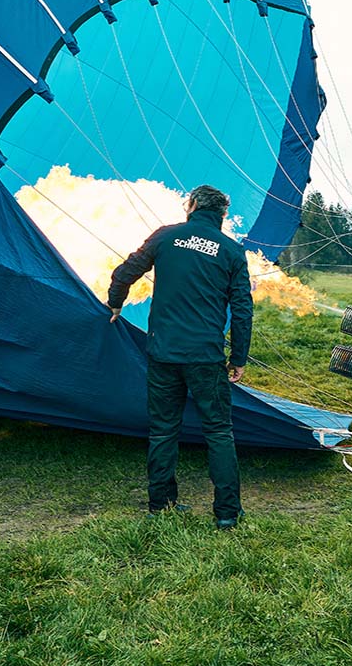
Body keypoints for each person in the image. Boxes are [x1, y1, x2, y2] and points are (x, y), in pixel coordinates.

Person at [107, 184, 252, 530]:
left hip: (163, 352)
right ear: (222, 215)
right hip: (205, 355)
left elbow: (124, 272)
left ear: (192, 205)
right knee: (218, 431)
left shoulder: (165, 237)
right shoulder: (232, 251)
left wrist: (116, 302)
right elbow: (243, 310)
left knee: (163, 430)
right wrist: (239, 357)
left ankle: (161, 504)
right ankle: (227, 513)